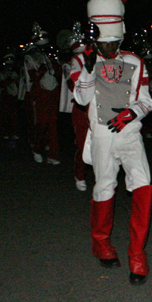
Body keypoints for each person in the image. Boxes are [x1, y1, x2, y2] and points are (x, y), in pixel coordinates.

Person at [73, 0, 152, 284]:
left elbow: (146, 100)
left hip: (130, 134)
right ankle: (102, 244)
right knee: (104, 187)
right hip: (102, 135)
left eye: (113, 43)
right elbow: (81, 97)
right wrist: (87, 68)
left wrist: (131, 114)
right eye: (103, 43)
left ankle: (137, 254)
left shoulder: (134, 61)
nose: (108, 48)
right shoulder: (85, 61)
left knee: (143, 184)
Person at [22, 23, 61, 165]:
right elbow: (32, 76)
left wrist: (56, 66)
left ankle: (53, 154)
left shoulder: (47, 55)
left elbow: (56, 72)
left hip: (52, 92)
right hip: (39, 93)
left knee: (53, 124)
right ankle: (37, 149)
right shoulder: (30, 56)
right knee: (41, 123)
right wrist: (44, 69)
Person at [60, 24, 90, 191]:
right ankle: (80, 174)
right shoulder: (74, 61)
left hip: (98, 105)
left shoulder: (96, 56)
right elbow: (74, 84)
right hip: (81, 106)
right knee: (83, 143)